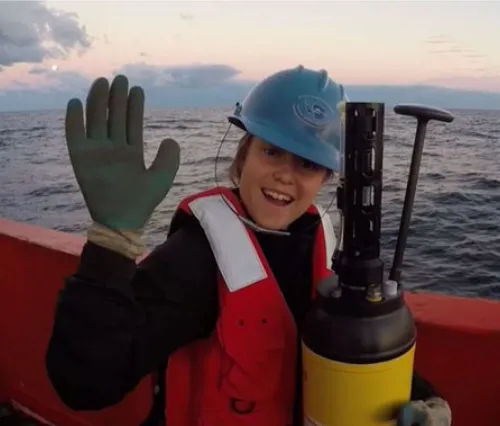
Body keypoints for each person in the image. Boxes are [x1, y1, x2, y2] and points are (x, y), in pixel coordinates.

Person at [45, 65, 452, 426]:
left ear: (327, 179)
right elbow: (86, 384)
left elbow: (342, 341)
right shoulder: (197, 256)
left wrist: (420, 395)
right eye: (271, 151)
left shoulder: (321, 239)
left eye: (307, 163)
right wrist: (112, 242)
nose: (284, 176)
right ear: (243, 157)